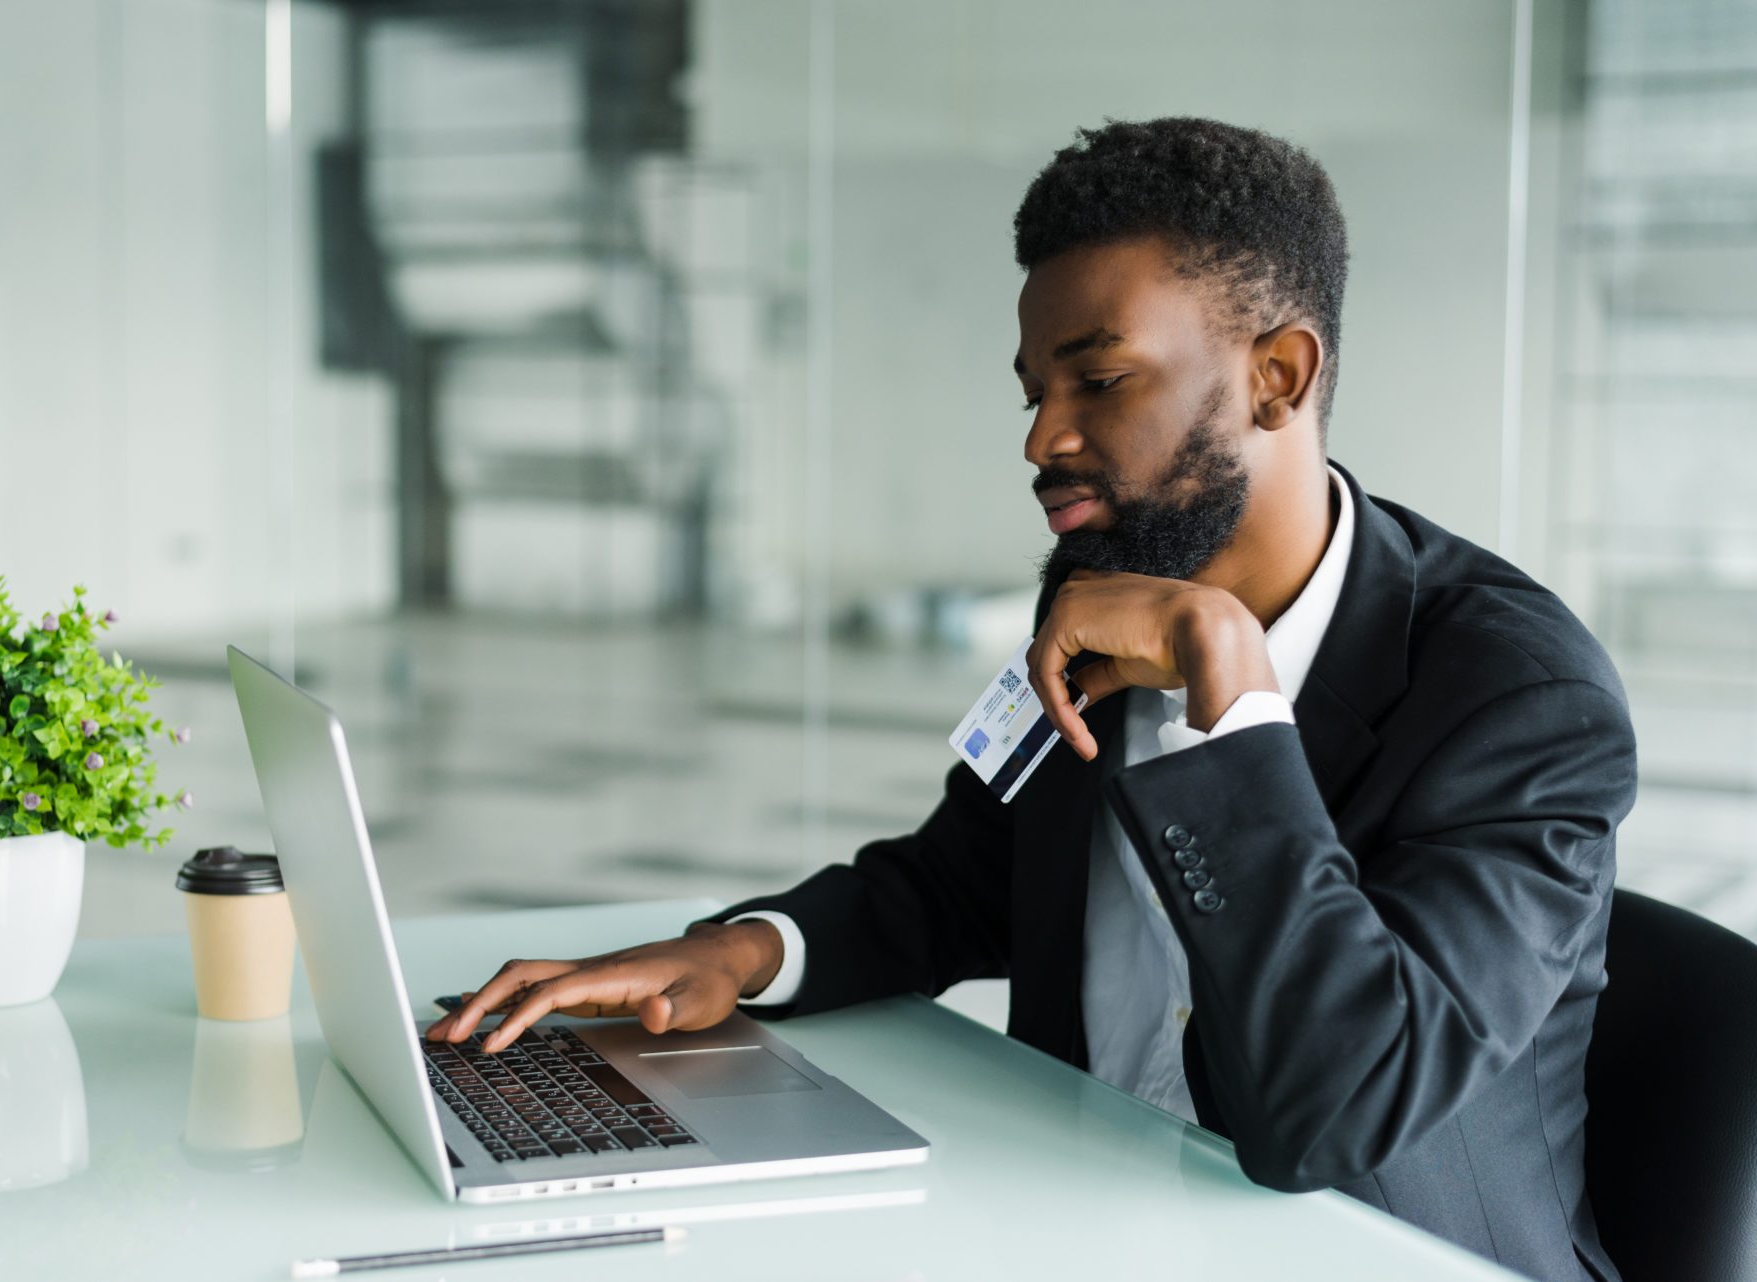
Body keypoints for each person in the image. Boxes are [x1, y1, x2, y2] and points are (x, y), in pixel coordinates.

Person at [426, 117, 1634, 1282]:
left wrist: (1231, 692)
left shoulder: (1518, 697)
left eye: (1099, 381)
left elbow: (1335, 1108)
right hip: (1076, 1222)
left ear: (1278, 374)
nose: (1044, 439)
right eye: (1033, 393)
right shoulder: (1105, 603)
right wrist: (738, 951)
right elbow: (961, 879)